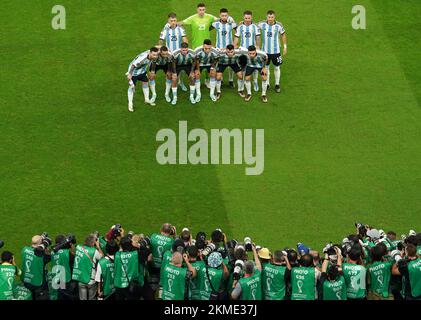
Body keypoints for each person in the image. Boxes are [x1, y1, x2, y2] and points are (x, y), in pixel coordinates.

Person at [258, 10, 287, 93]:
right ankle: (267, 84)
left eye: (272, 17)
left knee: (277, 67)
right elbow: (252, 24)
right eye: (269, 17)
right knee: (266, 68)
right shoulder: (262, 24)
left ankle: (277, 84)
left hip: (276, 51)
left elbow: (283, 34)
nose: (270, 19)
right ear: (266, 17)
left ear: (274, 17)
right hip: (265, 52)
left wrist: (285, 47)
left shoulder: (279, 25)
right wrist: (242, 22)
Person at [159, 12, 189, 92]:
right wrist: (160, 48)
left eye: (174, 20)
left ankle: (181, 82)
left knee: (181, 69)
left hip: (179, 53)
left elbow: (185, 38)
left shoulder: (180, 28)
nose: (173, 22)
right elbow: (161, 40)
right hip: (169, 54)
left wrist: (185, 48)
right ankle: (169, 88)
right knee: (169, 72)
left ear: (176, 20)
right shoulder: (165, 29)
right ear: (168, 21)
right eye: (171, 21)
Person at [234, 10, 261, 92]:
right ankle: (242, 81)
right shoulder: (240, 27)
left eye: (249, 18)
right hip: (243, 49)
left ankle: (255, 81)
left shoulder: (255, 27)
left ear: (251, 17)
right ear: (243, 17)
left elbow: (258, 37)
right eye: (246, 18)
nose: (247, 19)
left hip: (252, 50)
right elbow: (236, 37)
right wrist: (235, 46)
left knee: (254, 66)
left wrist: (258, 47)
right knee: (243, 67)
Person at [126, 47, 159, 111]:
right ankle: (130, 104)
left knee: (145, 82)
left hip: (142, 71)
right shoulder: (142, 59)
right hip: (133, 73)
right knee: (132, 87)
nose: (155, 56)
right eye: (154, 55)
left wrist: (152, 71)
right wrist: (129, 74)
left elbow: (154, 62)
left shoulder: (154, 55)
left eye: (156, 55)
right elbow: (133, 65)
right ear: (150, 53)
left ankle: (146, 100)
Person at [71, 234, 104, 300]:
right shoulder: (94, 251)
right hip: (90, 280)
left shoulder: (78, 247)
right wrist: (98, 246)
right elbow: (102, 256)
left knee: (82, 299)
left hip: (80, 278)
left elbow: (73, 251)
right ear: (93, 243)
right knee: (92, 298)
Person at [210, 8, 237, 88]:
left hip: (229, 48)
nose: (224, 17)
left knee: (231, 63)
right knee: (219, 63)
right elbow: (208, 28)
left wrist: (235, 43)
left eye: (225, 15)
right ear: (220, 16)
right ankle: (220, 80)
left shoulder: (231, 24)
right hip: (219, 48)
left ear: (228, 15)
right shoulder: (216, 24)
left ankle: (231, 80)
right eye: (222, 15)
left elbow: (238, 30)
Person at [21, 235, 51, 300]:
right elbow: (49, 257)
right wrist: (45, 249)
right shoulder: (41, 256)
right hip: (38, 283)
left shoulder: (24, 249)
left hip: (26, 280)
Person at [50, 234, 78, 300]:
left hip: (56, 278)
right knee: (69, 296)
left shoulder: (52, 252)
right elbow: (76, 258)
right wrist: (71, 246)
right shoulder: (66, 252)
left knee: (60, 295)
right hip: (66, 279)